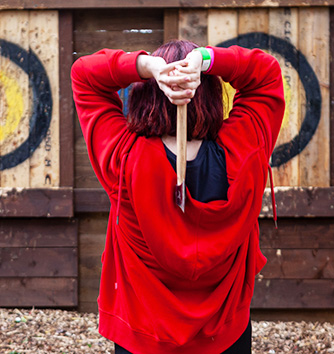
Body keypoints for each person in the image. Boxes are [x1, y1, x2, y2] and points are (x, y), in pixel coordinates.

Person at [71, 40, 285, 354]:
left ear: (147, 95)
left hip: (143, 337)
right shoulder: (245, 148)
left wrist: (147, 67)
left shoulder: (124, 158)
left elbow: (85, 75)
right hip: (224, 336)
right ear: (210, 95)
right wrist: (206, 60)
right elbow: (265, 73)